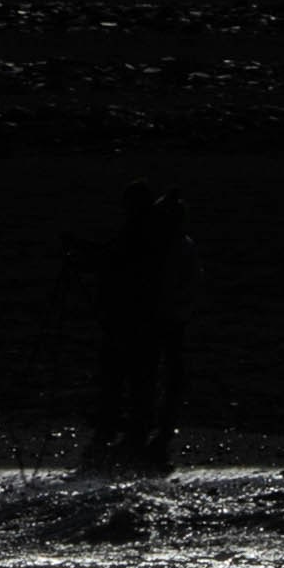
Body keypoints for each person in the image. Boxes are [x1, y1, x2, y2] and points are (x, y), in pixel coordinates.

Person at [84, 183, 185, 477]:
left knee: (123, 374)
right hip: (143, 318)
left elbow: (114, 262)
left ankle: (119, 430)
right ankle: (131, 431)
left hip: (132, 319)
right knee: (138, 376)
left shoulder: (140, 236)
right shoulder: (157, 236)